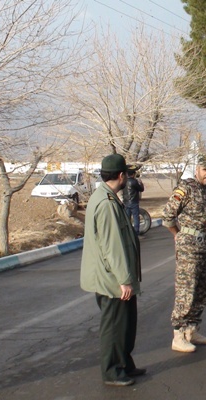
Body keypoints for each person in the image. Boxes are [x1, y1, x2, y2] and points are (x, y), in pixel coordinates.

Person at [80, 154, 144, 387]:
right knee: (114, 326)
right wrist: (125, 280)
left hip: (113, 276)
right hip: (112, 279)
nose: (128, 177)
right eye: (126, 173)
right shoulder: (106, 204)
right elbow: (112, 247)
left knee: (126, 323)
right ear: (120, 175)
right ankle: (112, 371)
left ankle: (125, 364)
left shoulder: (106, 197)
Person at [161, 154, 206, 353]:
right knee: (186, 291)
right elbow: (167, 216)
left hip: (205, 246)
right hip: (188, 249)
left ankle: (192, 330)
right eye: (205, 170)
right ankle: (178, 334)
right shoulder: (185, 189)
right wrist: (177, 235)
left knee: (202, 289)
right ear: (197, 169)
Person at [122, 165, 144, 234]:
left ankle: (128, 233)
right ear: (133, 174)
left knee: (127, 219)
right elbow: (141, 189)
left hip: (126, 202)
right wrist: (141, 183)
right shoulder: (134, 182)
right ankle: (136, 232)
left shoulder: (124, 182)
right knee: (135, 218)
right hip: (134, 202)